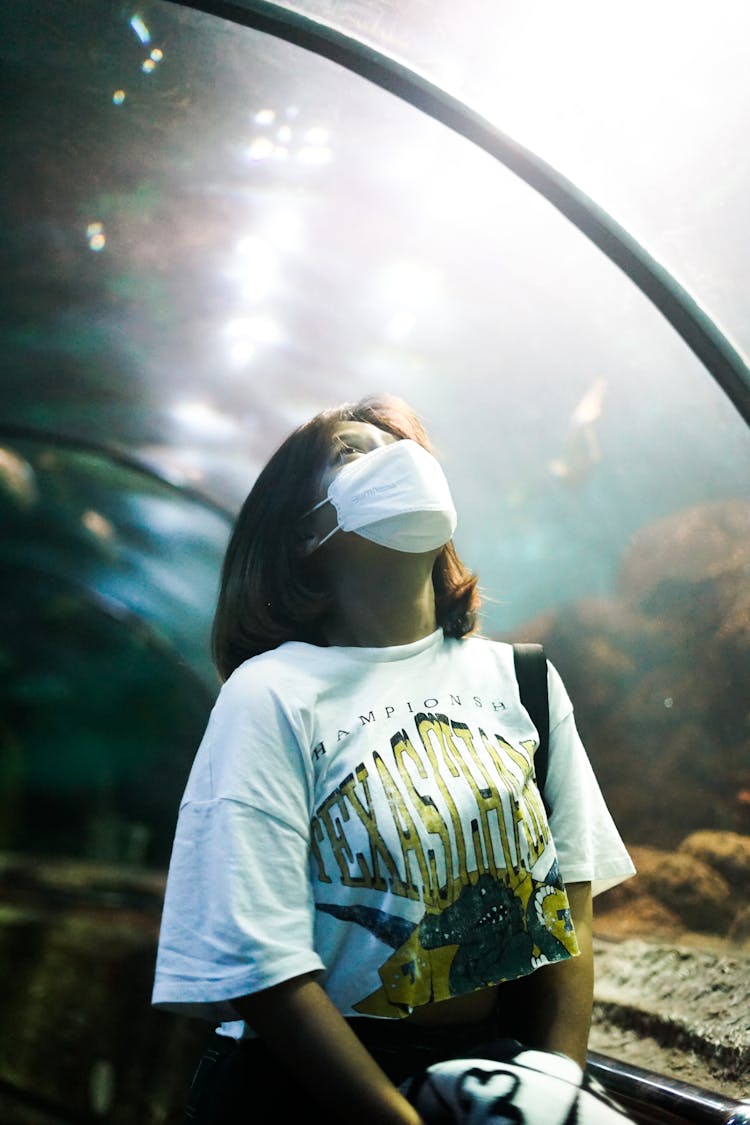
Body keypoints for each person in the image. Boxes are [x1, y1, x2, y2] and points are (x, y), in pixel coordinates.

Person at [152, 393, 635, 1124]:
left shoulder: (524, 681)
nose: (394, 457)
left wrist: (547, 1095)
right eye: (353, 450)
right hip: (305, 1089)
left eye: (400, 443)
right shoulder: (272, 695)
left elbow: (571, 906)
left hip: (489, 1069)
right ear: (303, 530)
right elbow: (263, 965)